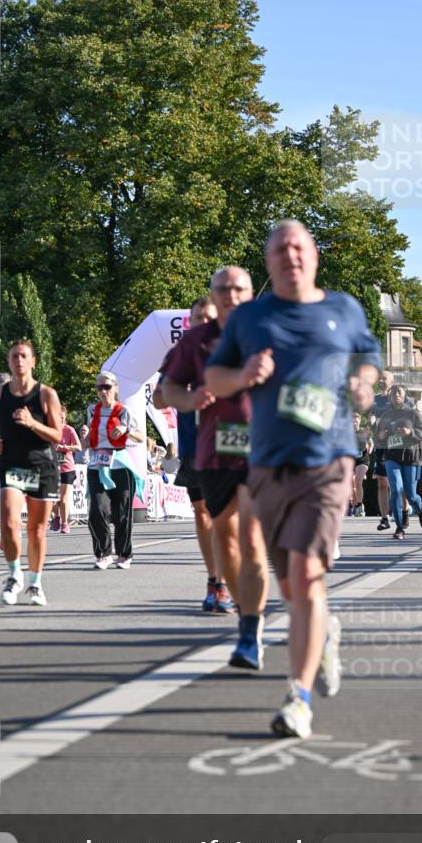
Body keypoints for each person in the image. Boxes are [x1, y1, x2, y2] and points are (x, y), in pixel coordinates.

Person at [206, 220, 381, 738]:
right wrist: (242, 377)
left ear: (314, 255)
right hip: (267, 463)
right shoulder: (250, 317)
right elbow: (214, 376)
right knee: (291, 586)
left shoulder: (344, 309)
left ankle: (297, 699)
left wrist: (363, 382)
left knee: (305, 575)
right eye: (280, 249)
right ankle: (322, 632)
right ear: (268, 261)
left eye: (298, 247)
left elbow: (368, 357)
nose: (290, 256)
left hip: (328, 460)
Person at [163, 267, 269, 668]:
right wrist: (190, 400)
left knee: (252, 538)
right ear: (214, 293)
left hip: (263, 451)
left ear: (249, 294)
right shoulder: (196, 340)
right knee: (225, 536)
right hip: (214, 452)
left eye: (238, 288)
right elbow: (168, 389)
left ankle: (249, 633)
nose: (230, 294)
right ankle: (245, 611)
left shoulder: (269, 334)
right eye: (222, 288)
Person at [154, 296, 234, 615]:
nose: (204, 322)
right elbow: (159, 400)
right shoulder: (180, 354)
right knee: (202, 513)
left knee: (225, 515)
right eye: (198, 317)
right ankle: (214, 581)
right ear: (190, 322)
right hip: (194, 445)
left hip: (229, 443)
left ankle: (225, 583)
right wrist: (187, 394)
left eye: (209, 317)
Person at [0, 340, 63, 605]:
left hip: (42, 466)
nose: (19, 360)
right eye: (14, 356)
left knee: (36, 531)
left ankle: (35, 584)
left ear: (33, 361)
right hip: (12, 466)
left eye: (24, 355)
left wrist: (32, 423)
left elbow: (57, 435)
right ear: (8, 361)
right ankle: (14, 575)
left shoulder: (46, 394)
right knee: (8, 522)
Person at [81, 370, 145, 569]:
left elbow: (141, 437)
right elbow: (87, 442)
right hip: (97, 464)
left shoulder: (124, 411)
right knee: (96, 510)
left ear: (115, 388)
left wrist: (126, 429)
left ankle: (124, 554)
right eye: (99, 387)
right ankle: (103, 553)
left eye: (107, 387)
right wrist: (84, 438)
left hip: (120, 465)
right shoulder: (92, 410)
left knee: (122, 514)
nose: (103, 391)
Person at [376, 385, 422, 540]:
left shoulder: (413, 413)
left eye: (399, 392)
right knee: (396, 490)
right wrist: (381, 436)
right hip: (392, 457)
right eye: (393, 392)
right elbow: (378, 438)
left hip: (411, 457)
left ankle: (421, 509)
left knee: (411, 495)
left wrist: (410, 432)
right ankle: (399, 527)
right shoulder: (386, 415)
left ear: (405, 395)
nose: (396, 394)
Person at [371, 371, 413, 531]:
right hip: (382, 445)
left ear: (392, 381)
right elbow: (372, 418)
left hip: (398, 445)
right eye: (379, 378)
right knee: (382, 482)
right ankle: (384, 518)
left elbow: (412, 415)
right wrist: (371, 425)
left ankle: (404, 512)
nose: (381, 380)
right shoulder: (374, 399)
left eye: (384, 378)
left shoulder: (401, 396)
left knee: (400, 484)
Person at [50, 406, 81, 533]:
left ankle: (64, 523)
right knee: (51, 500)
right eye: (59, 418)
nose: (61, 420)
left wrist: (65, 447)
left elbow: (79, 447)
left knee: (63, 498)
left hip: (67, 468)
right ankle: (57, 516)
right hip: (52, 468)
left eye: (63, 418)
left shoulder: (69, 430)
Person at [350, 412, 372, 516]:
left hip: (363, 459)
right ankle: (355, 506)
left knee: (358, 481)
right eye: (352, 418)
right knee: (351, 484)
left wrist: (370, 447)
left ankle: (360, 505)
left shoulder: (364, 431)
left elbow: (371, 442)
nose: (354, 419)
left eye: (357, 418)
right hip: (351, 460)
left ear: (359, 420)